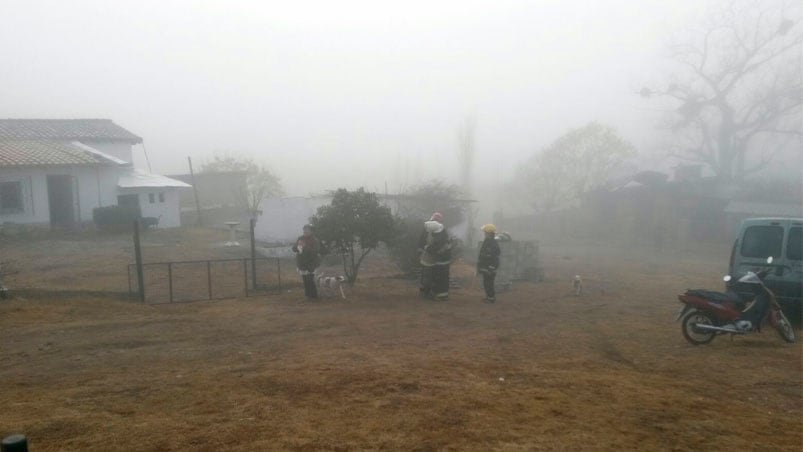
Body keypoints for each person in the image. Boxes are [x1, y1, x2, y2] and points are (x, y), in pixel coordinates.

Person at [420, 213, 452, 301]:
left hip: (440, 259)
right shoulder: (440, 231)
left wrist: (427, 248)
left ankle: (440, 295)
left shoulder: (440, 235)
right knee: (434, 276)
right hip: (437, 259)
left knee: (439, 277)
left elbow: (436, 247)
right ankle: (433, 292)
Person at [417, 212, 444, 295]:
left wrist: (420, 250)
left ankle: (424, 287)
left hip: (426, 253)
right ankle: (426, 289)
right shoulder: (438, 230)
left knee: (425, 271)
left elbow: (421, 239)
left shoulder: (428, 228)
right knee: (429, 272)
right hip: (431, 255)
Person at [291, 224, 320, 300]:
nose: (305, 231)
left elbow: (315, 251)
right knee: (305, 280)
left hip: (311, 263)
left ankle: (314, 296)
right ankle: (307, 296)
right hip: (302, 263)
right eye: (304, 230)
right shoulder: (300, 238)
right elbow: (294, 248)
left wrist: (305, 246)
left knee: (310, 280)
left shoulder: (314, 240)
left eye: (307, 230)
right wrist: (297, 246)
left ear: (311, 231)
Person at [477, 224, 501, 303]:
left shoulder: (493, 244)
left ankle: (491, 298)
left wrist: (491, 268)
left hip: (490, 267)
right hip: (486, 267)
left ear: (489, 233)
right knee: (486, 282)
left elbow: (494, 257)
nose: (484, 234)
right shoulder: (488, 241)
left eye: (485, 232)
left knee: (489, 283)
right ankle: (489, 297)